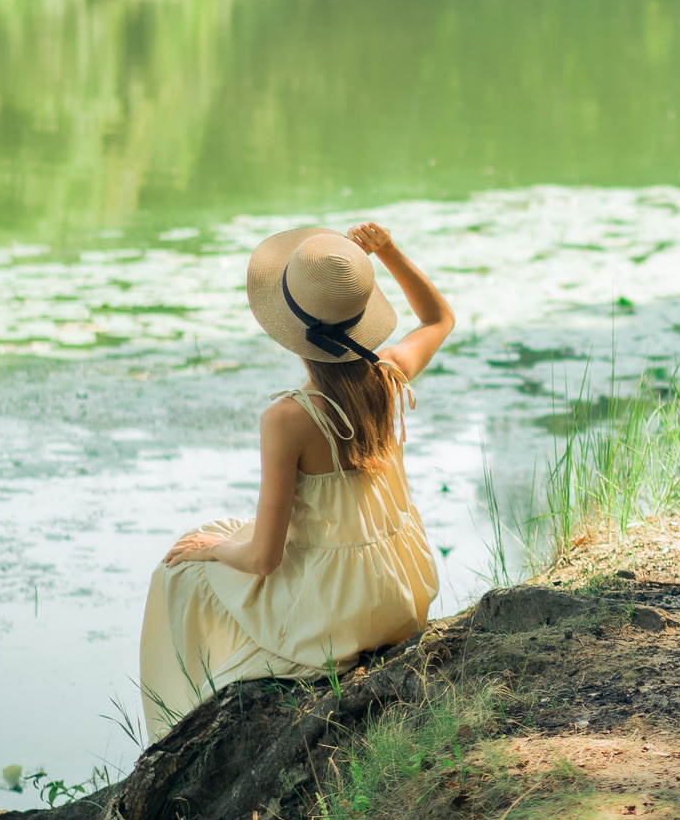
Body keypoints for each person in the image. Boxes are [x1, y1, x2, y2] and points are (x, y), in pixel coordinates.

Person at [138, 222, 453, 739]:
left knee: (182, 570)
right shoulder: (389, 374)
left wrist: (212, 551)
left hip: (338, 613)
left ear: (291, 328)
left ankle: (176, 732)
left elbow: (264, 558)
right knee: (225, 528)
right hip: (403, 592)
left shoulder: (288, 419)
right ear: (363, 315)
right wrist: (390, 251)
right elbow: (440, 318)